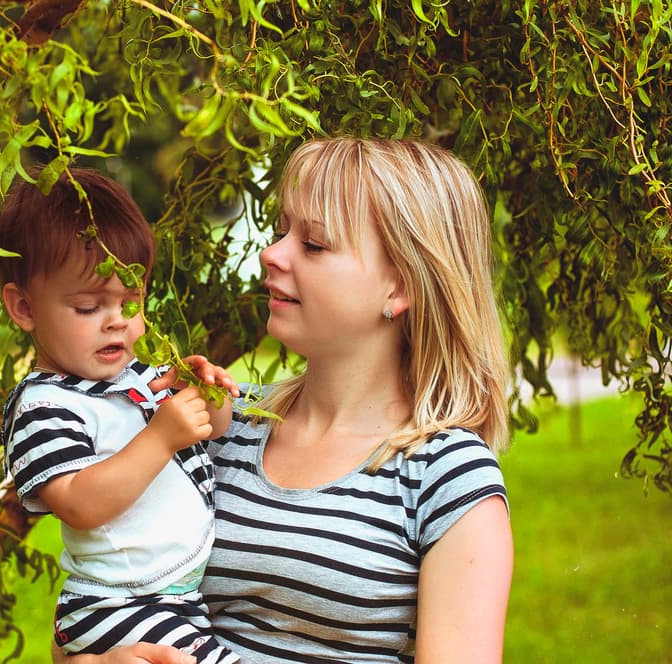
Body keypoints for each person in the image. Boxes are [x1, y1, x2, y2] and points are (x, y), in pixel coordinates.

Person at [65, 136, 514, 663]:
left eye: (315, 244)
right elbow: (96, 602)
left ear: (398, 287)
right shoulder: (216, 424)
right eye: (282, 230)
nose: (271, 253)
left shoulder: (446, 477)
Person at [0, 166, 241, 664]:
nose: (117, 322)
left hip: (173, 598)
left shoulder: (139, 377)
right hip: (112, 604)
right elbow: (79, 503)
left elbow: (214, 430)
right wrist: (159, 438)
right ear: (23, 308)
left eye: (132, 301)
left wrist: (209, 398)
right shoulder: (45, 407)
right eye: (88, 306)